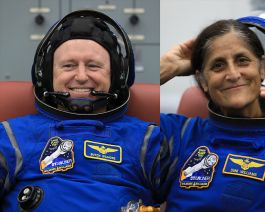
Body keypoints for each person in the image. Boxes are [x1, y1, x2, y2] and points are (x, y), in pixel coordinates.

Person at [0, 10, 161, 211]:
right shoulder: (11, 136)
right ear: (49, 75)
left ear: (117, 76)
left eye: (93, 66)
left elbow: (196, 194)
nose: (82, 76)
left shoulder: (147, 139)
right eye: (68, 66)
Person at [160, 18, 265, 211]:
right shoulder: (181, 135)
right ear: (203, 80)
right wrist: (168, 67)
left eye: (242, 60)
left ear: (261, 68)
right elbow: (120, 134)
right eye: (218, 65)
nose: (233, 74)